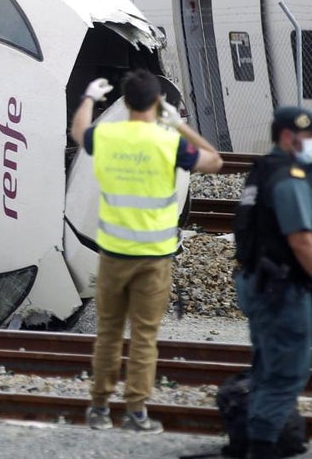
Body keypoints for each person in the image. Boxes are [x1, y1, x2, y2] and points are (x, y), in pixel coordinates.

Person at [70, 69, 222, 433]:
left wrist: (89, 98)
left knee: (108, 334)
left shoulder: (108, 135)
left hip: (113, 256)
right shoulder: (168, 142)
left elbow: (78, 133)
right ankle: (136, 411)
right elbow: (214, 160)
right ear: (157, 103)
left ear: (124, 103)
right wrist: (179, 124)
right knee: (144, 336)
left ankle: (100, 408)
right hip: (154, 258)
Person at [231, 106, 312, 459]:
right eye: (306, 136)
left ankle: (251, 439)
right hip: (282, 291)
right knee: (286, 374)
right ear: (287, 137)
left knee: (267, 366)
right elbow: (301, 241)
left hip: (258, 283)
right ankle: (261, 447)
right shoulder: (288, 179)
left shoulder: (262, 170)